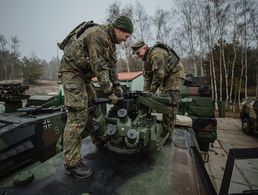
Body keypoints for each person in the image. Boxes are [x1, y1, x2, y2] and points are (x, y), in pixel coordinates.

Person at [58, 16, 133, 179]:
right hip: (71, 73)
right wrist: (110, 94)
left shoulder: (110, 42)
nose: (126, 40)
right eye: (126, 36)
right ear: (118, 30)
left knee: (92, 106)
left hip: (83, 75)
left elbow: (111, 67)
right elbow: (100, 68)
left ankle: (99, 140)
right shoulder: (98, 35)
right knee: (77, 115)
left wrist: (118, 87)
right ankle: (71, 163)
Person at [131, 41, 185, 141]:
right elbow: (147, 78)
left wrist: (150, 92)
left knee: (170, 103)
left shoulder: (157, 54)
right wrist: (145, 95)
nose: (138, 56)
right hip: (166, 76)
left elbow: (159, 76)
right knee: (153, 99)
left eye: (138, 53)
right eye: (136, 54)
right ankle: (163, 128)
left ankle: (168, 134)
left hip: (175, 75)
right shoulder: (146, 59)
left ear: (145, 48)